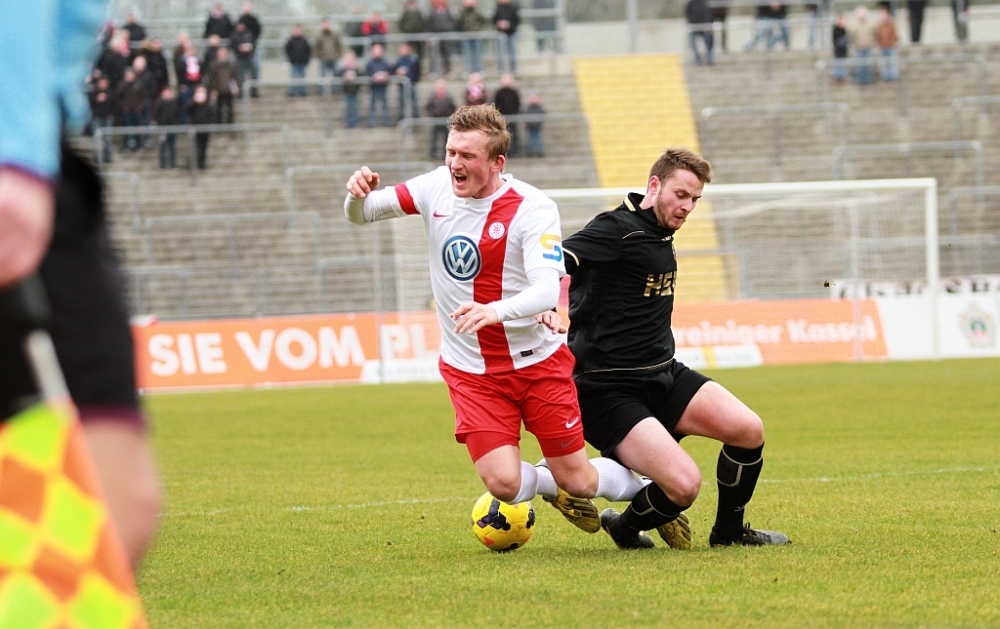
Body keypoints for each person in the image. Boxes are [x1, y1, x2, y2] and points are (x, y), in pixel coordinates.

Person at [343, 104, 650, 535]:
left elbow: (546, 290)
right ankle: (549, 484)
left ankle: (650, 490)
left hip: (536, 362)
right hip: (471, 370)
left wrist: (494, 311)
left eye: (467, 156)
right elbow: (363, 213)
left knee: (578, 480)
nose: (455, 163)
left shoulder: (533, 207)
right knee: (504, 485)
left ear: (496, 162)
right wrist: (356, 196)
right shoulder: (434, 187)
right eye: (451, 152)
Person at [552, 148, 790, 550]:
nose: (687, 207)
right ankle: (623, 528)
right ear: (654, 185)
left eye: (694, 199)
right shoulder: (616, 228)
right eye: (681, 195)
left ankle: (728, 533)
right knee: (684, 486)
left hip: (663, 373)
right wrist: (543, 304)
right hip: (608, 389)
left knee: (748, 430)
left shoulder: (660, 231)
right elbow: (555, 259)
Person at [0, 0, 161, 569]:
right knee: (110, 503)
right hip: (20, 160)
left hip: (35, 146)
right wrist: (16, 156)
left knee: (110, 506)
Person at [207, 46, 240, 123]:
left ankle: (230, 124)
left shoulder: (231, 65)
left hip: (229, 90)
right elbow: (211, 79)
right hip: (218, 90)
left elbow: (235, 78)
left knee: (230, 108)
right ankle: (219, 124)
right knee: (218, 108)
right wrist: (213, 89)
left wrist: (235, 87)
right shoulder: (213, 65)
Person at [426, 78, 457, 159]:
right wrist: (433, 113)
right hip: (436, 120)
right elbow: (428, 107)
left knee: (446, 139)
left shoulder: (449, 97)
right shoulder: (432, 97)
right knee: (434, 138)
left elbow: (453, 107)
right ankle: (432, 155)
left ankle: (445, 154)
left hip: (445, 121)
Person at [492, 73, 521, 157]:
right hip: (502, 118)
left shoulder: (514, 92)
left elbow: (517, 103)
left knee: (513, 135)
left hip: (513, 117)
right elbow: (496, 103)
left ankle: (514, 152)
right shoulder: (499, 92)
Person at [237, 2, 263, 95]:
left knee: (255, 70)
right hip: (241, 53)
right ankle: (243, 92)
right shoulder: (239, 20)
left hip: (253, 50)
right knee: (242, 73)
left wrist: (251, 42)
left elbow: (258, 31)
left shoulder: (254, 19)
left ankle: (254, 90)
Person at [89, 75, 117, 163]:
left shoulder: (111, 92)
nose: (103, 84)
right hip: (97, 117)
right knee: (96, 138)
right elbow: (90, 104)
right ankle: (97, 157)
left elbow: (115, 104)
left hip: (107, 117)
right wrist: (97, 99)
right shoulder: (94, 92)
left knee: (108, 138)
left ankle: (107, 157)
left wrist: (112, 114)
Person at [186, 85, 215, 169]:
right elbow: (187, 110)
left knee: (203, 147)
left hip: (205, 129)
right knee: (196, 147)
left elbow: (212, 115)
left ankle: (202, 164)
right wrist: (194, 101)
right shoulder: (193, 104)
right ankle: (196, 163)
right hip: (195, 128)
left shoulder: (208, 104)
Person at [457, 0, 488, 75]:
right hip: (466, 35)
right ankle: (467, 70)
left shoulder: (477, 10)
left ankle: (479, 70)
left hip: (476, 34)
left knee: (477, 53)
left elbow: (483, 20)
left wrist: (478, 28)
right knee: (467, 54)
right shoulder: (463, 11)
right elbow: (459, 21)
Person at [427, 0, 457, 77]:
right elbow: (429, 24)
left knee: (446, 54)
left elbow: (452, 22)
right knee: (434, 54)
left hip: (446, 36)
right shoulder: (432, 12)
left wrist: (449, 29)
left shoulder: (448, 12)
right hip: (435, 36)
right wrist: (430, 36)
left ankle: (448, 70)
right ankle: (434, 71)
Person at [848, 5, 877, 85]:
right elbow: (851, 36)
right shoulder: (854, 25)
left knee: (868, 65)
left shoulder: (870, 24)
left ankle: (868, 80)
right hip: (859, 48)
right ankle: (861, 81)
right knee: (860, 66)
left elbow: (874, 34)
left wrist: (872, 43)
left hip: (868, 47)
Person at [366, 43, 393, 127]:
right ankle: (371, 123)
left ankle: (387, 122)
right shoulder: (370, 63)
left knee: (385, 106)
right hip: (373, 87)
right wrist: (374, 76)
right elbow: (367, 72)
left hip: (383, 87)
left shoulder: (385, 62)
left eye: (379, 49)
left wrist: (384, 75)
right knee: (372, 106)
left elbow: (389, 71)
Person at [394, 43, 422, 121]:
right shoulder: (398, 60)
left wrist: (414, 80)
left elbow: (417, 72)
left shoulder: (413, 60)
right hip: (402, 86)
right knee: (402, 102)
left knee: (414, 102)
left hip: (412, 84)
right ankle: (401, 117)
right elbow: (393, 71)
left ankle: (416, 117)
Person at [316, 18, 344, 96]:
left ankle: (336, 90)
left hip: (334, 58)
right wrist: (319, 56)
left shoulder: (334, 35)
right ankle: (322, 91)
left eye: (327, 23)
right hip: (323, 59)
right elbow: (316, 47)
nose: (326, 25)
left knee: (336, 74)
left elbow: (339, 45)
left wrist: (338, 55)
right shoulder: (319, 36)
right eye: (324, 24)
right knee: (322, 75)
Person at [494, 0, 521, 74]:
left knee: (512, 51)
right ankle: (501, 69)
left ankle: (514, 68)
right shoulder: (498, 8)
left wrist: (509, 26)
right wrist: (499, 25)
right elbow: (494, 19)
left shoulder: (513, 7)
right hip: (501, 33)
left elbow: (517, 20)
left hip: (511, 33)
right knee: (501, 52)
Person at [231, 22, 257, 98]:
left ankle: (254, 92)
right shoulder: (234, 35)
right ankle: (241, 93)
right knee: (240, 77)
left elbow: (253, 43)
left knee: (253, 75)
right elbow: (232, 45)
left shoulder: (248, 34)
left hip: (249, 57)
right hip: (239, 58)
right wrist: (239, 48)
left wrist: (249, 48)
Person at [336, 51, 362, 128]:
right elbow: (338, 77)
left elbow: (361, 76)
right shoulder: (342, 70)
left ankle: (355, 122)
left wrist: (355, 78)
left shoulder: (357, 69)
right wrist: (345, 77)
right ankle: (347, 122)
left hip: (355, 91)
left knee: (355, 107)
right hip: (346, 91)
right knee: (347, 107)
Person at [686, 0, 716, 66]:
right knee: (693, 44)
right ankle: (697, 60)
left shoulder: (706, 3)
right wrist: (692, 23)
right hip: (694, 27)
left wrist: (708, 24)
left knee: (709, 44)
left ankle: (710, 60)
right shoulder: (690, 3)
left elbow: (711, 15)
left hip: (705, 28)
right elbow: (687, 14)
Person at [285, 24, 312, 98]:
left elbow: (308, 51)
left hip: (303, 62)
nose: (298, 31)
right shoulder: (290, 40)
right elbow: (287, 50)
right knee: (293, 77)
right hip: (294, 62)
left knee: (303, 77)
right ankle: (292, 92)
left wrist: (306, 60)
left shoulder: (305, 41)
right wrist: (291, 59)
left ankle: (303, 91)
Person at [875, 5, 899, 81]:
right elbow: (877, 36)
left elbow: (895, 35)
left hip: (891, 46)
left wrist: (892, 42)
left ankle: (893, 77)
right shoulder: (879, 25)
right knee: (884, 64)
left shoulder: (891, 24)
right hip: (883, 47)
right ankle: (886, 78)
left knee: (892, 63)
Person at [523, 92, 545, 157]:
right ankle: (529, 152)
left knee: (539, 140)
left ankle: (540, 152)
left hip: (538, 127)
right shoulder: (527, 108)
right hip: (530, 127)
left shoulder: (540, 108)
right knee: (529, 141)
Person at [832, 14, 850, 82]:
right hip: (838, 51)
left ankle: (842, 77)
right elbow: (836, 41)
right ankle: (838, 77)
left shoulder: (844, 29)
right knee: (838, 65)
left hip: (843, 51)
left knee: (843, 64)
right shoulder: (836, 29)